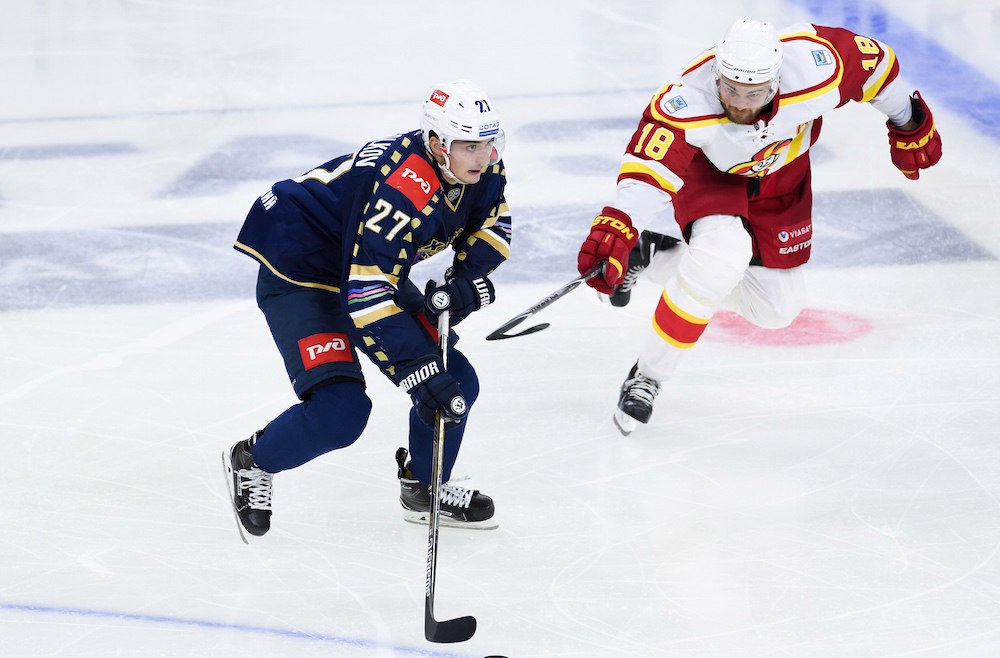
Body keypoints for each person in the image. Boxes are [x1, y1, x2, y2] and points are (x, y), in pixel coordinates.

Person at [577, 18, 942, 435]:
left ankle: (654, 256)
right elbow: (647, 173)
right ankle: (649, 376)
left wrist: (908, 119)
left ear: (777, 80)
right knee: (721, 258)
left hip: (782, 175)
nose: (739, 104)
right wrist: (618, 227)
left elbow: (877, 67)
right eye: (730, 89)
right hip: (711, 173)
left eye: (753, 93)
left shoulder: (817, 66)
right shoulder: (686, 101)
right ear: (718, 74)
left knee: (775, 309)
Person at [223, 79, 511, 539]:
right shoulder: (404, 188)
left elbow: (492, 225)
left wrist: (463, 280)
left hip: (365, 267)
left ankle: (424, 487)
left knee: (457, 381)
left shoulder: (482, 168)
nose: (485, 156)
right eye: (470, 146)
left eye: (489, 142)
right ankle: (252, 460)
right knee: (342, 413)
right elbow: (366, 296)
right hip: (300, 271)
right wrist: (419, 371)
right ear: (437, 143)